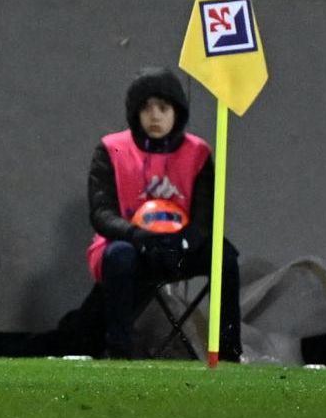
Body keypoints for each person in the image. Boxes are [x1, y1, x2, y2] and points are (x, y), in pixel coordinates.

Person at [85, 68, 241, 362]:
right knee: (119, 257)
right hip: (129, 242)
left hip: (181, 244)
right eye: (145, 108)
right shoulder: (110, 149)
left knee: (225, 256)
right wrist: (136, 235)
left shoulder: (199, 153)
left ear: (177, 112)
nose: (154, 116)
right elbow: (101, 211)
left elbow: (206, 215)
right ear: (134, 113)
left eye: (163, 107)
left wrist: (185, 241)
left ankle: (229, 351)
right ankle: (119, 351)